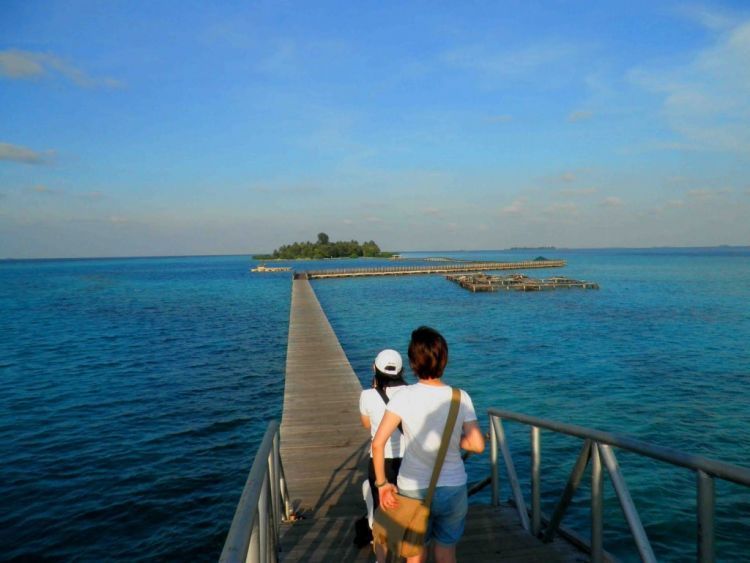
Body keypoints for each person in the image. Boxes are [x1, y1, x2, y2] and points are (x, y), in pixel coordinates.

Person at [372, 327, 485, 563]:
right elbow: (477, 444)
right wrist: (455, 440)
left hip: (412, 488)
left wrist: (382, 485)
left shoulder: (402, 398)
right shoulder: (460, 397)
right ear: (444, 359)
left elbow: (378, 443)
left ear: (412, 363)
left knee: (415, 556)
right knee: (446, 554)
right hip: (453, 488)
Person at [359, 349, 408, 561]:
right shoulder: (412, 393)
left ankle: (381, 558)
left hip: (379, 461)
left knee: (381, 511)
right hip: (408, 460)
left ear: (374, 369)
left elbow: (366, 424)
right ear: (402, 371)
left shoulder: (367, 395)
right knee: (406, 507)